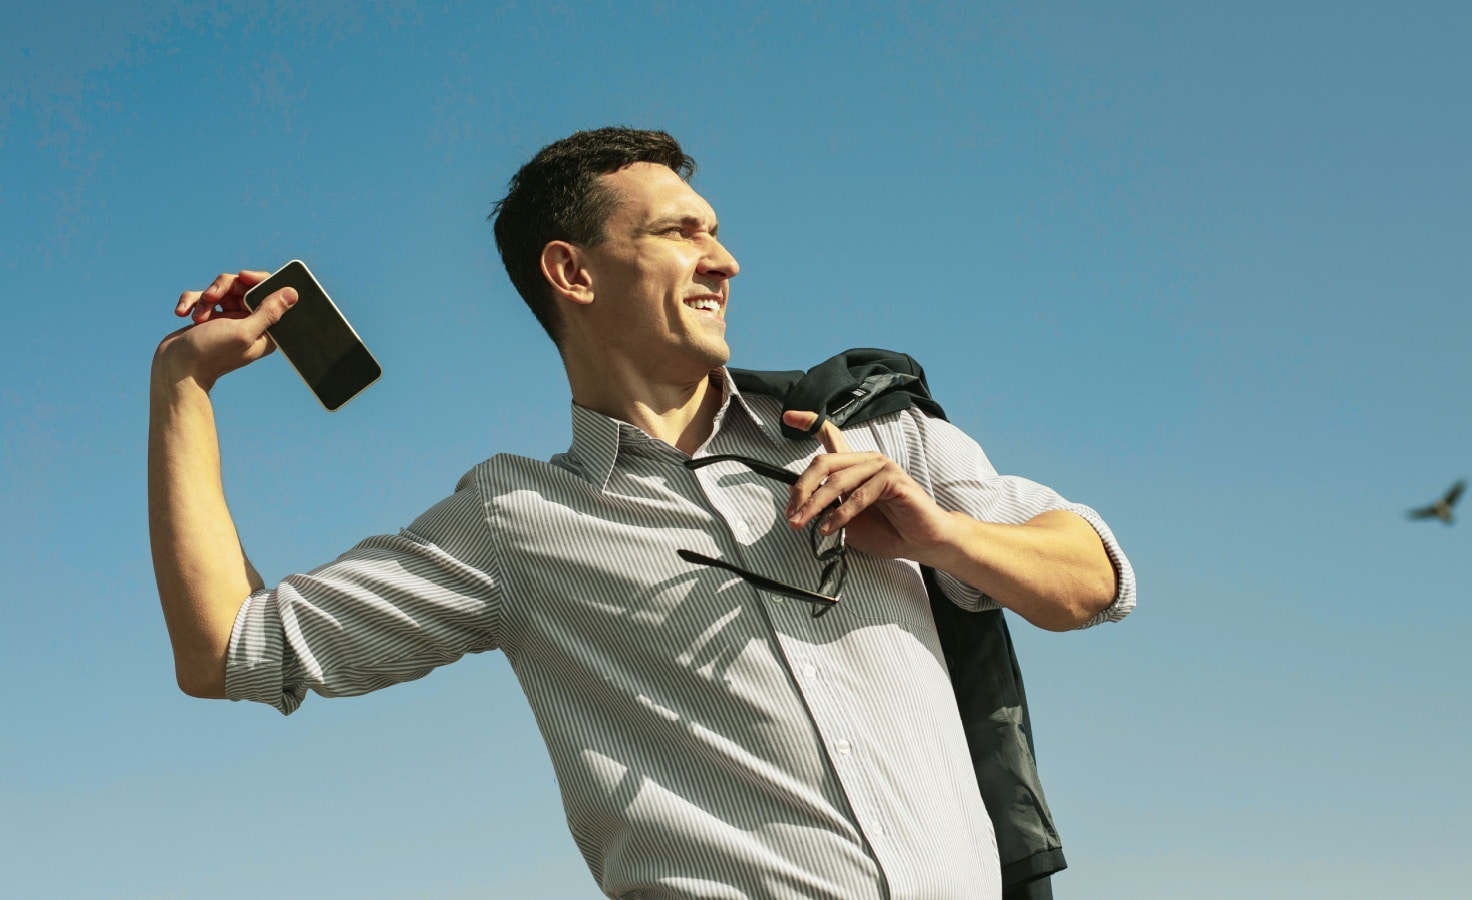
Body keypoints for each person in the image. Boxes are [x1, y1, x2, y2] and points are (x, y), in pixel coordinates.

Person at [148, 126, 1136, 899]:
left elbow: (1094, 578)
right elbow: (225, 650)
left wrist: (945, 537)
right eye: (680, 233)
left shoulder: (862, 430)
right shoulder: (512, 521)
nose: (726, 260)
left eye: (715, 230)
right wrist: (183, 389)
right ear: (573, 272)